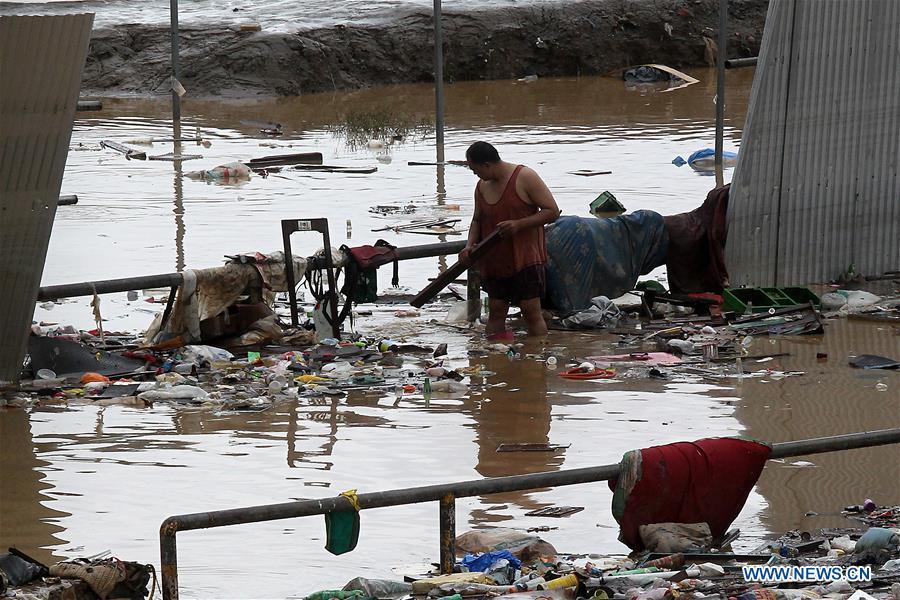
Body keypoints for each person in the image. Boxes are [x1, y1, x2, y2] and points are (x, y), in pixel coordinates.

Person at [460, 141, 560, 337]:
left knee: (530, 311)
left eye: (475, 170)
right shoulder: (481, 187)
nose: (475, 174)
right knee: (496, 311)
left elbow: (552, 211)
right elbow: (477, 220)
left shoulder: (525, 177)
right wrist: (469, 245)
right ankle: (494, 353)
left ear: (487, 165)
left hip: (525, 258)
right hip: (495, 261)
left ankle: (539, 353)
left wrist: (518, 224)